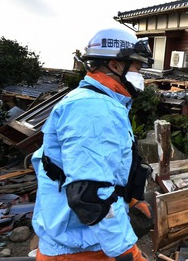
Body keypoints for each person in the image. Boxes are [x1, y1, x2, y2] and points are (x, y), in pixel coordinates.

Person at [31, 28, 154, 260]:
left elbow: (105, 169)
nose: (141, 74)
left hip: (84, 241)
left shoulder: (99, 102)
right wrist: (126, 251)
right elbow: (92, 195)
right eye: (137, 67)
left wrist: (132, 198)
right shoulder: (94, 109)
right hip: (80, 249)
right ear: (116, 65)